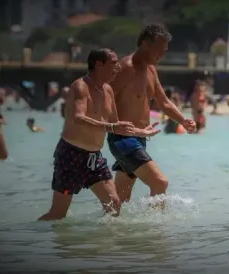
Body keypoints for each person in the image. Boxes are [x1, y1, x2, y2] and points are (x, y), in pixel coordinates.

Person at [38, 48, 151, 221]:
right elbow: (79, 117)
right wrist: (111, 126)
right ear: (99, 64)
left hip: (94, 158)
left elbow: (116, 125)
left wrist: (140, 132)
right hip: (71, 155)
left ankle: (102, 245)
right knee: (58, 214)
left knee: (114, 203)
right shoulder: (80, 86)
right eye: (113, 63)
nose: (118, 67)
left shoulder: (108, 90)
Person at [107, 24, 197, 204]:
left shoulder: (150, 70)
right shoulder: (125, 68)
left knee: (119, 201)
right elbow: (104, 99)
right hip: (124, 139)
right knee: (160, 183)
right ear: (145, 44)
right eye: (159, 50)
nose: (162, 55)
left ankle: (108, 230)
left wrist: (183, 120)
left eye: (164, 51)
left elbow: (163, 102)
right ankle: (156, 230)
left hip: (139, 139)